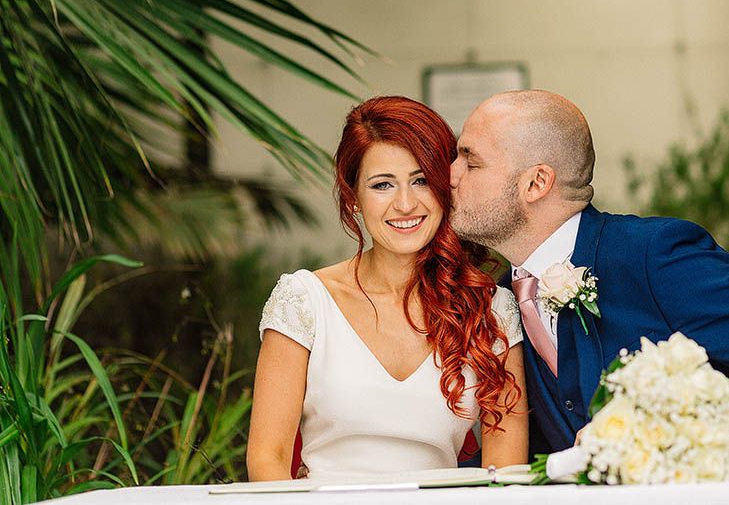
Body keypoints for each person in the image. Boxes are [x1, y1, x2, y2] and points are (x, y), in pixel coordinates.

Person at [247, 96, 528, 481]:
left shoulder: (491, 309)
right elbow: (268, 460)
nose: (406, 203)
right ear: (353, 197)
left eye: (421, 180)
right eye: (382, 185)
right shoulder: (304, 301)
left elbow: (506, 472)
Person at [449, 89, 729, 454]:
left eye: (471, 163)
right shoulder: (501, 302)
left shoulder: (654, 253)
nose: (450, 175)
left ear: (536, 183)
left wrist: (657, 425)